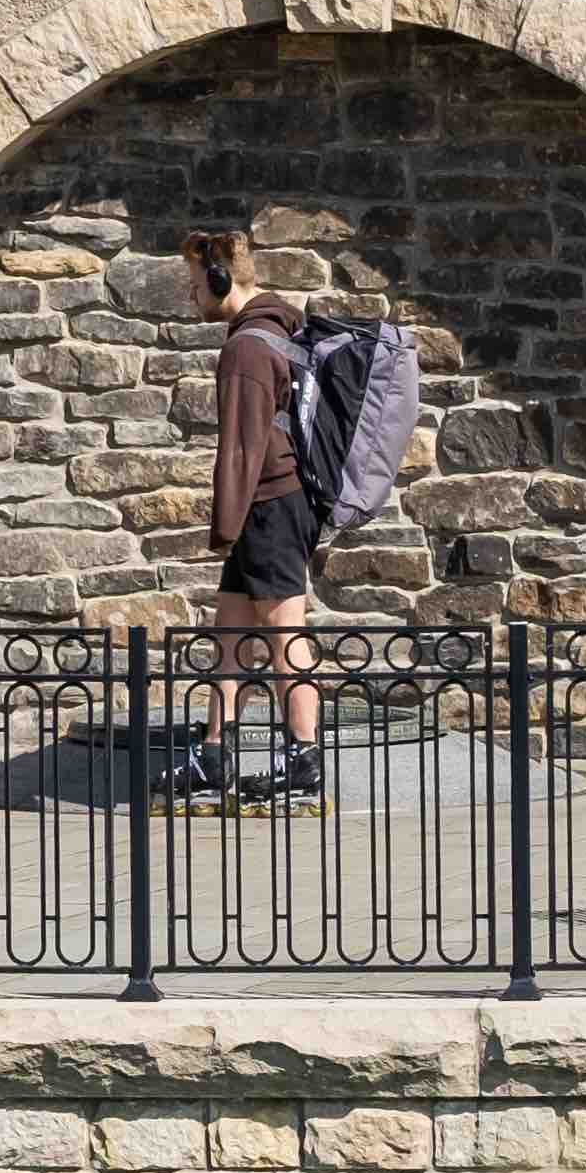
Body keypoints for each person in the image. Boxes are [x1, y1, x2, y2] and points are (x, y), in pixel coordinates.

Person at [172, 230, 327, 805]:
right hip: (275, 504)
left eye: (194, 286)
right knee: (229, 632)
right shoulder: (277, 331)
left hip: (269, 506)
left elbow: (242, 447)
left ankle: (304, 760)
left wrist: (226, 526)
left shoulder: (246, 350)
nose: (192, 298)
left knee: (286, 635)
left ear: (219, 280)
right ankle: (215, 753)